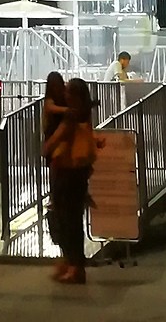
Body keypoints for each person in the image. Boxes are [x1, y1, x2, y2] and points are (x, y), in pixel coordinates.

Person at [45, 76, 99, 286]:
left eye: (68, 91)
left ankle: (75, 266)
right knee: (73, 220)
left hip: (67, 172)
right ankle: (73, 264)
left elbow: (56, 141)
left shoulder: (71, 118)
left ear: (74, 95)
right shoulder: (85, 115)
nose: (64, 94)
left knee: (67, 221)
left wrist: (47, 147)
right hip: (79, 174)